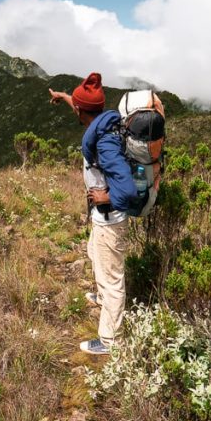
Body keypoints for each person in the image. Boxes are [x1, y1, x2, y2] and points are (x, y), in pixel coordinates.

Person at [49, 73, 141, 355]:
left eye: (75, 106)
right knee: (93, 252)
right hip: (102, 219)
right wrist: (65, 97)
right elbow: (84, 108)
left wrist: (107, 196)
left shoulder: (105, 143)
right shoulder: (104, 124)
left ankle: (109, 341)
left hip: (110, 220)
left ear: (81, 111)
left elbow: (127, 191)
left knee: (112, 279)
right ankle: (102, 296)